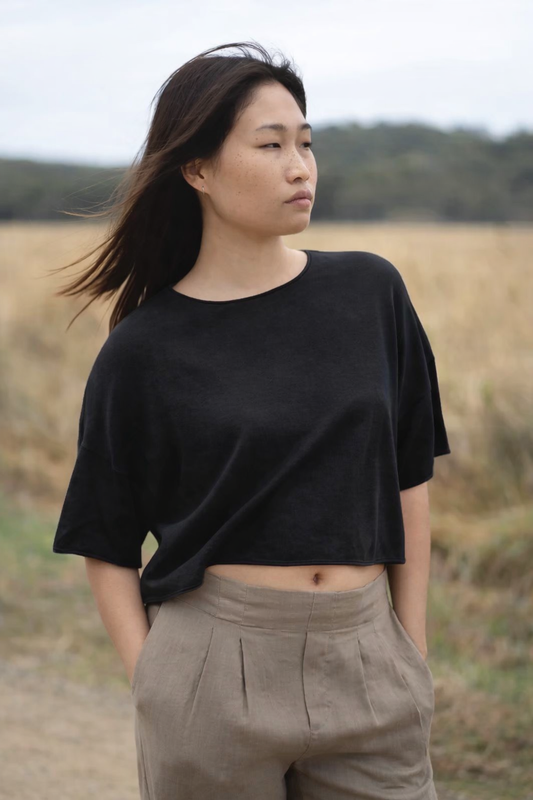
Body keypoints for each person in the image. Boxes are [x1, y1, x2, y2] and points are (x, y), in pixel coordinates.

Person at [52, 40, 451, 800]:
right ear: (196, 170)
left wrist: (409, 650)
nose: (300, 167)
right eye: (269, 146)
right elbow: (104, 539)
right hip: (211, 669)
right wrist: (157, 687)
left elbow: (408, 481)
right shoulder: (143, 347)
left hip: (367, 659)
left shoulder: (370, 294)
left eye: (305, 143)